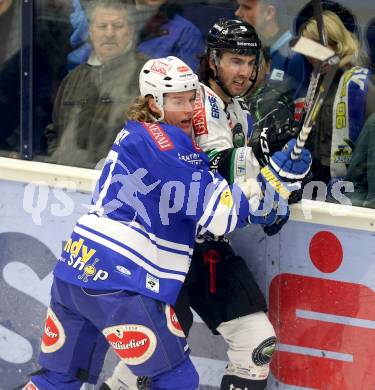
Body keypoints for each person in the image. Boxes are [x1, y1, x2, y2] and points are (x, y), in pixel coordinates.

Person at [22, 55, 311, 390]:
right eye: (178, 101)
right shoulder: (168, 143)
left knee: (58, 379)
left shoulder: (135, 135)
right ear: (153, 103)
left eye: (192, 98)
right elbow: (219, 215)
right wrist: (272, 181)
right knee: (176, 378)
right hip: (121, 283)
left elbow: (190, 207)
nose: (189, 110)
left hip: (74, 273)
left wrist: (269, 187)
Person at [101, 20, 308, 390]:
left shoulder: (239, 111)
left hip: (204, 247)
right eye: (234, 61)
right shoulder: (195, 99)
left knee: (255, 342)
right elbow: (208, 164)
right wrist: (259, 159)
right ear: (212, 61)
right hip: (160, 250)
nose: (243, 72)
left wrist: (277, 186)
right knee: (153, 360)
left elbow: (237, 184)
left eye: (249, 62)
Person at [45, 0, 148, 168]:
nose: (109, 33)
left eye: (118, 26)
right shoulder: (73, 79)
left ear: (130, 30)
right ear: (91, 31)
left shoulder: (149, 76)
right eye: (101, 26)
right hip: (69, 183)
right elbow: (54, 132)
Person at [299, 10, 374, 191]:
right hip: (318, 178)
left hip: (353, 184)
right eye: (306, 48)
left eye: (315, 47)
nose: (310, 55)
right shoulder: (318, 79)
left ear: (335, 44)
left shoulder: (358, 83)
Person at [69, 0, 205, 71]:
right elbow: (84, 69)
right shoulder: (107, 22)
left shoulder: (186, 32)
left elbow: (187, 92)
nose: (109, 33)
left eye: (118, 26)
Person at [235, 0, 312, 120]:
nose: (237, 13)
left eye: (246, 7)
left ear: (269, 13)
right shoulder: (253, 48)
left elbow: (298, 117)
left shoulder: (294, 56)